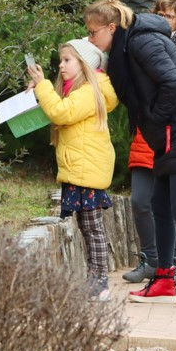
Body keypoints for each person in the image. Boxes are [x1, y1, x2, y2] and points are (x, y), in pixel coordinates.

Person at [86, 0, 176, 309]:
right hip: (168, 134)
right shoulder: (128, 45)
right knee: (160, 206)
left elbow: (172, 84)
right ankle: (164, 277)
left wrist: (154, 119)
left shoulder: (141, 41)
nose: (91, 39)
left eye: (93, 33)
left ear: (111, 28)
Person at [27, 38, 119, 301]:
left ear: (85, 64)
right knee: (86, 226)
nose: (61, 65)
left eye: (67, 60)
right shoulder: (75, 90)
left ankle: (100, 282)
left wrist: (42, 85)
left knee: (92, 227)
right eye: (61, 60)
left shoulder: (90, 91)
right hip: (80, 168)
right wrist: (39, 91)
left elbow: (61, 113)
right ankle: (94, 279)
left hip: (87, 170)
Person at [122, 0, 176, 287]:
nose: (164, 19)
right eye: (161, 13)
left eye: (170, 15)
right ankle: (151, 259)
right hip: (147, 135)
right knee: (140, 201)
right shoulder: (143, 41)